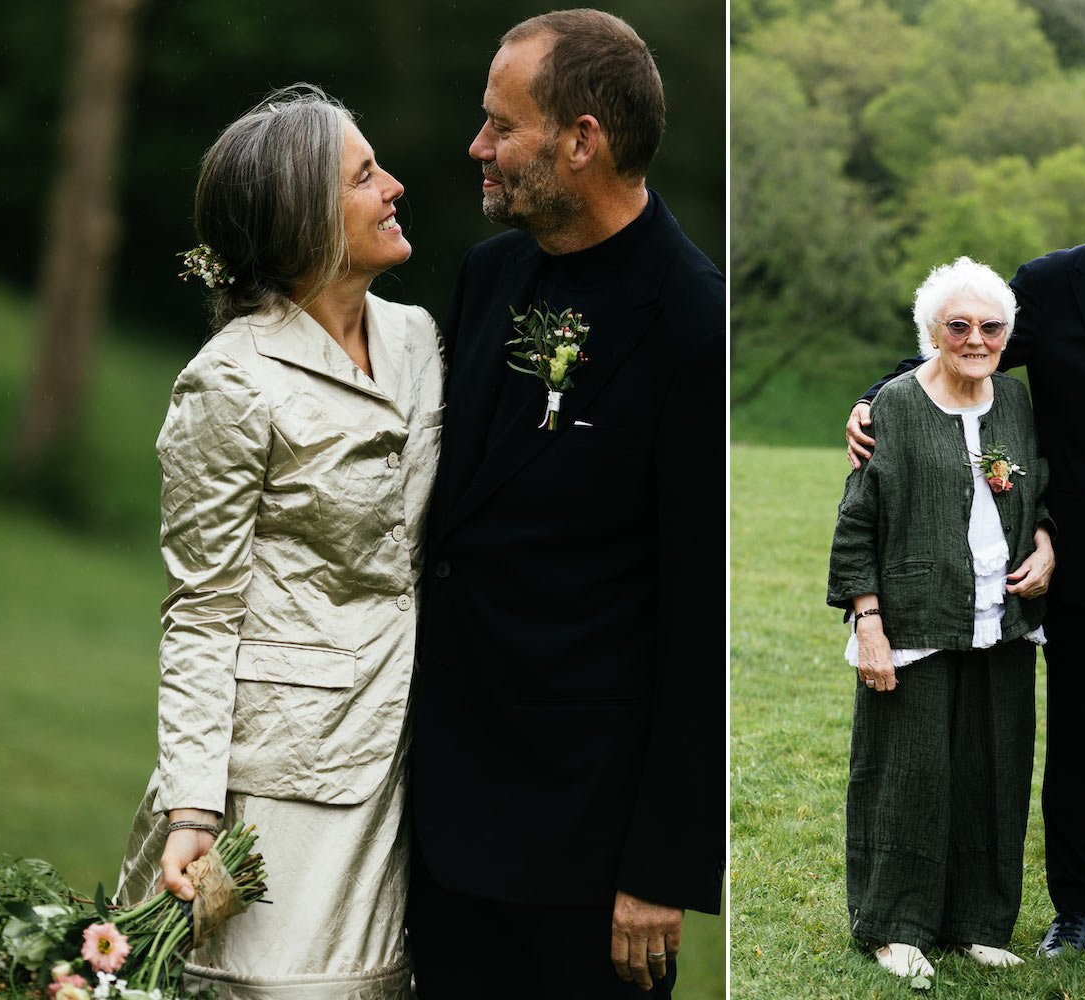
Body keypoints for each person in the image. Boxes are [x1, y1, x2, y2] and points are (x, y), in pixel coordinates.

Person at [846, 133, 1085, 967]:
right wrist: (874, 398)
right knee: (1074, 750)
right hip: (1074, 566)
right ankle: (1073, 910)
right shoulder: (1052, 286)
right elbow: (960, 351)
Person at [407, 10, 724, 998]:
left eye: (501, 126)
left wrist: (661, 868)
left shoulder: (692, 323)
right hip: (445, 810)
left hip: (585, 849)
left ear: (581, 139)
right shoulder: (489, 272)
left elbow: (699, 615)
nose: (479, 148)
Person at [115, 85, 443, 998]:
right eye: (366, 175)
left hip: (420, 750)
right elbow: (202, 608)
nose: (396, 187)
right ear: (306, 220)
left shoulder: (418, 339)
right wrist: (193, 807)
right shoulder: (227, 382)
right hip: (284, 775)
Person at [827, 257, 1053, 980]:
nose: (976, 340)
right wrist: (868, 623)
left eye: (991, 328)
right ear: (932, 332)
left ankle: (978, 922)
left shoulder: (1017, 404)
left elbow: (1043, 487)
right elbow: (856, 521)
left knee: (994, 770)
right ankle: (894, 925)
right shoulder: (892, 406)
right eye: (959, 326)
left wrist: (1046, 540)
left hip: (1004, 617)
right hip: (916, 614)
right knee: (907, 774)